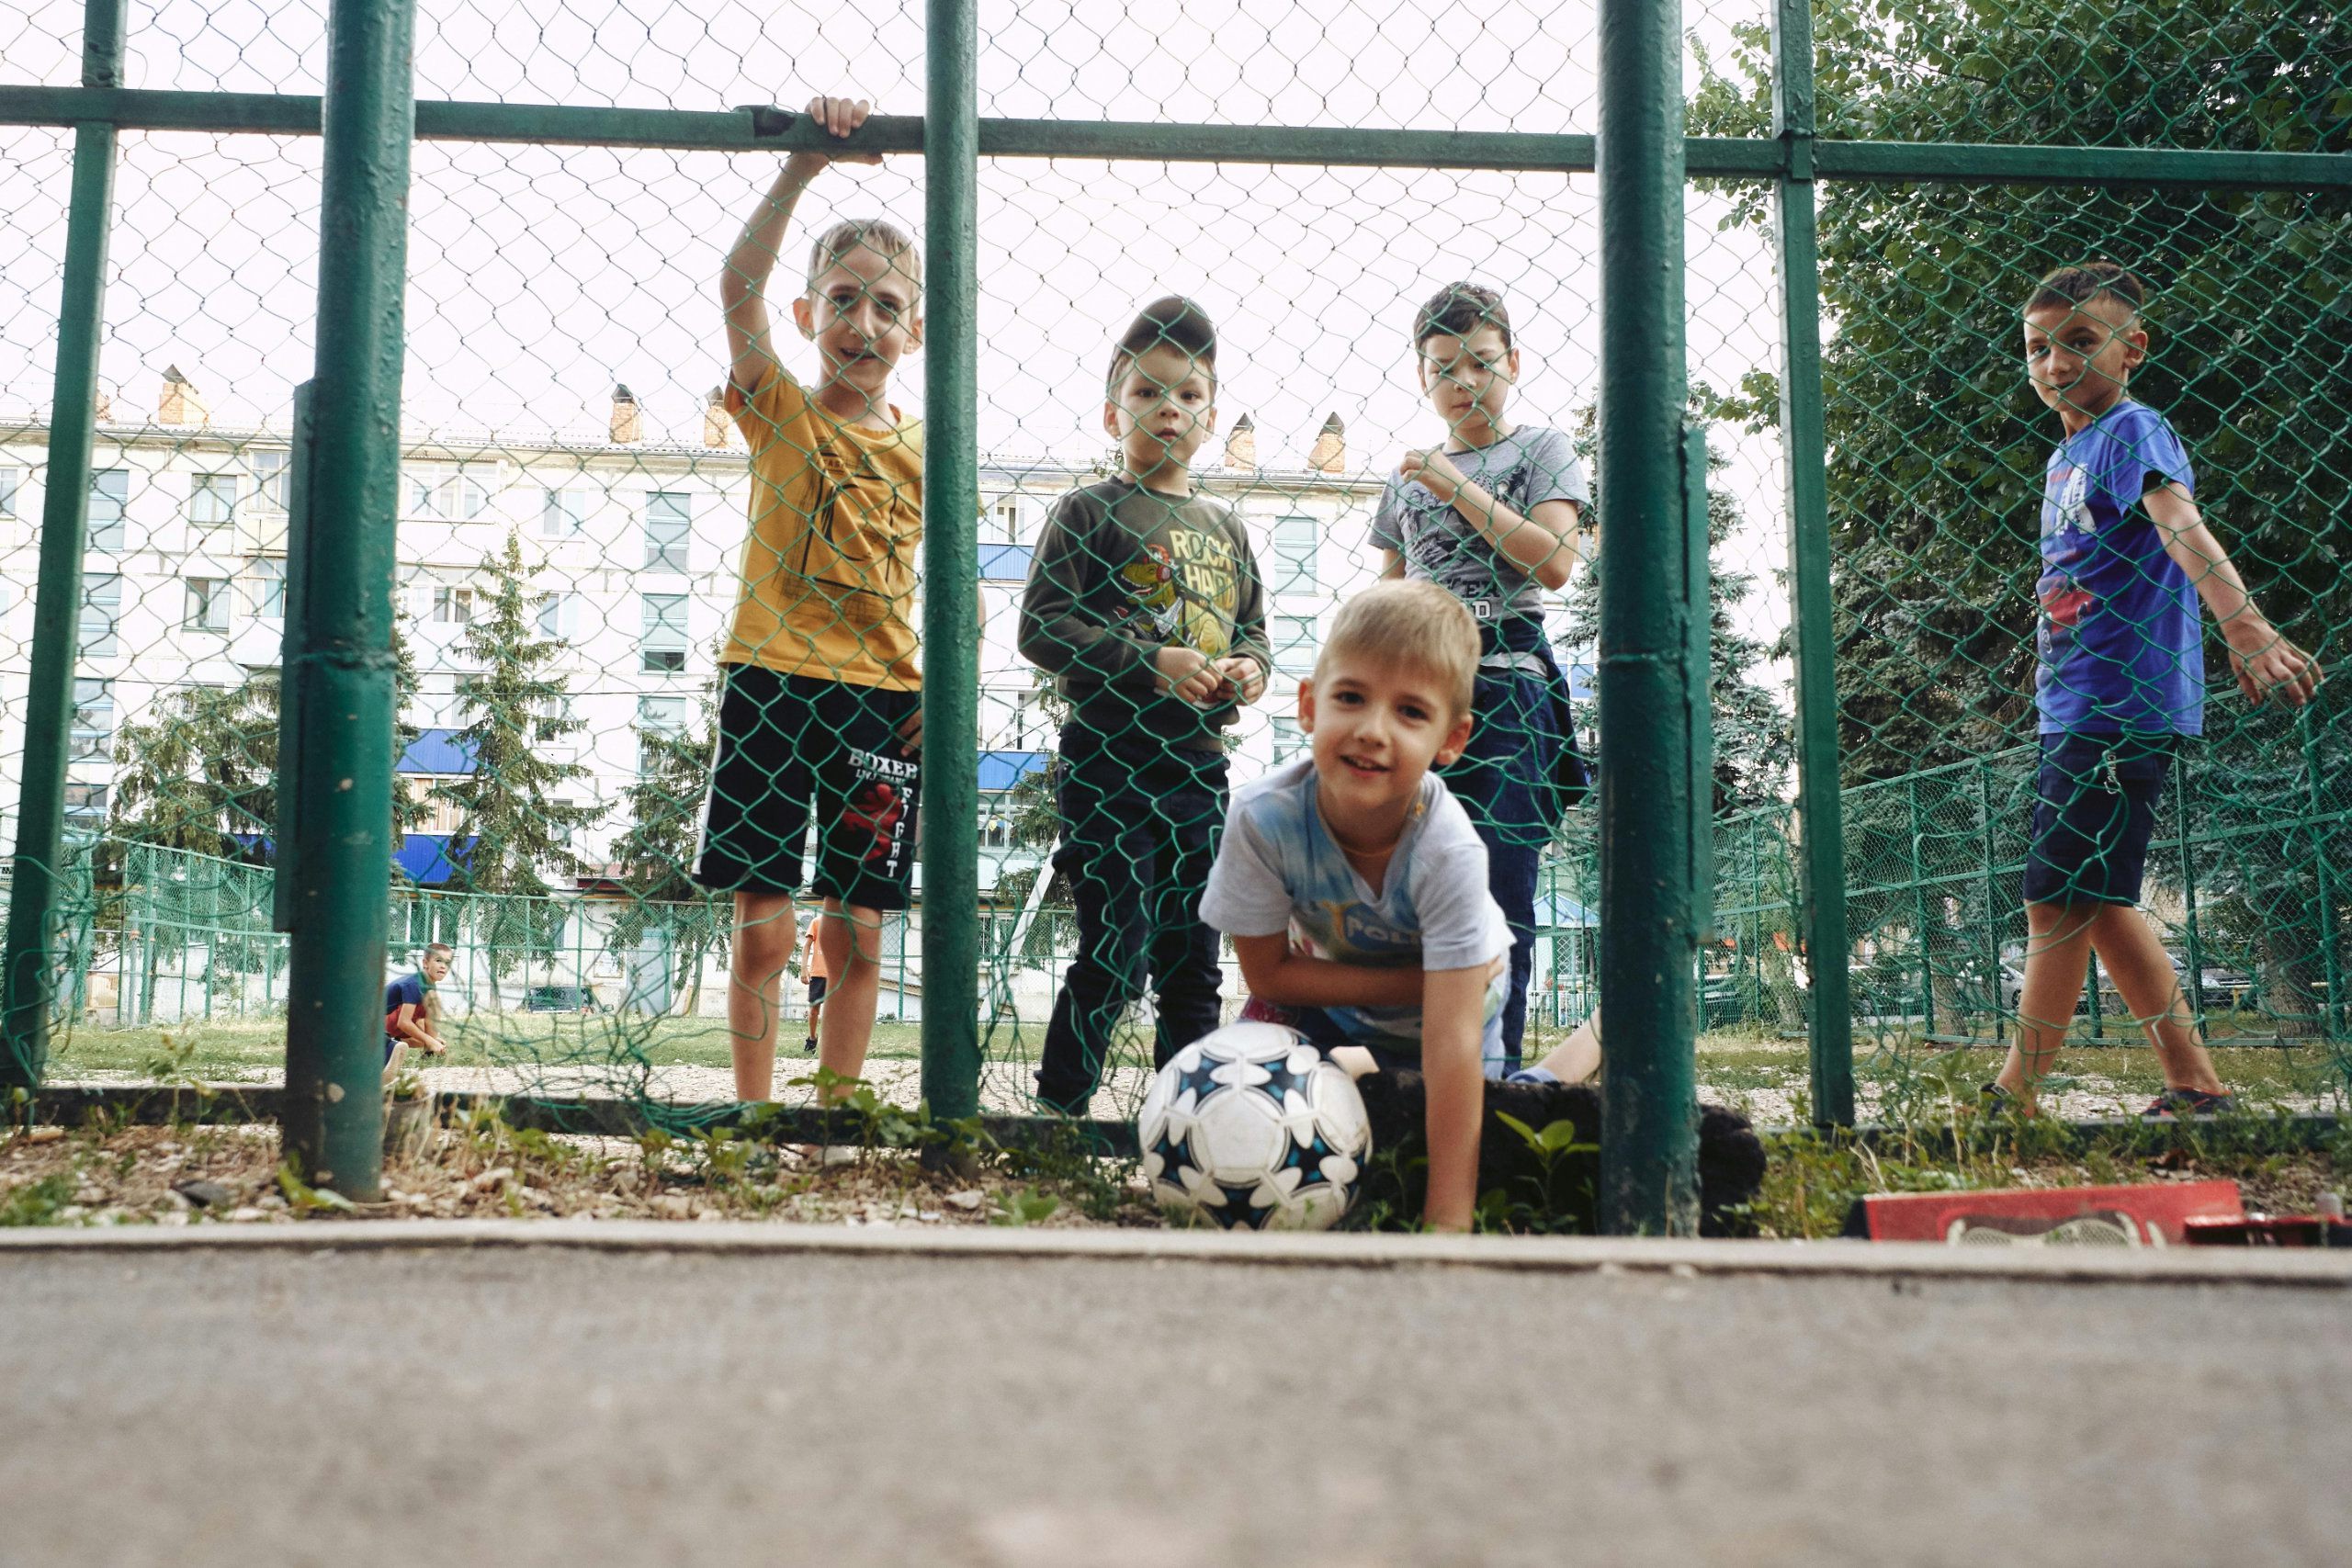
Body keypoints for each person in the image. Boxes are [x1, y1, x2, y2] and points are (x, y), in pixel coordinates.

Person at [1992, 261, 2322, 1118]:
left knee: (2054, 898)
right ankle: (2195, 1084)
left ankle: (2013, 1098)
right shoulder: (2067, 454)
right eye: (2037, 348)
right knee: (2097, 901)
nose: (2055, 364)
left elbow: (2178, 521)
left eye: (2079, 341)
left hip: (2119, 703)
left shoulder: (2132, 430)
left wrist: (2244, 625)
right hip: (2075, 703)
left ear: (2131, 348)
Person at [1200, 581, 1595, 1232]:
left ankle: (1572, 1058)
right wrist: (1413, 982)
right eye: (1351, 697)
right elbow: (1268, 975)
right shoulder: (1262, 818)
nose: (1372, 730)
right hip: (1341, 1000)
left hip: (1459, 1013)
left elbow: (1451, 1043)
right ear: (1308, 705)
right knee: (1262, 1098)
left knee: (1477, 1131)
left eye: (1410, 711)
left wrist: (1446, 1225)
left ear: (1452, 739)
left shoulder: (1448, 850)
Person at [693, 93, 924, 1104]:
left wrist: (937, 686)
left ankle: (836, 1113)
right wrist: (802, 165)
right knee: (765, 927)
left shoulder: (927, 446)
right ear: (808, 315)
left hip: (883, 697)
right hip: (773, 682)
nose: (863, 323)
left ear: (915, 329)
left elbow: (948, 589)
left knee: (858, 929)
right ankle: (753, 1115)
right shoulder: (780, 410)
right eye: (842, 299)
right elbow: (736, 286)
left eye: (887, 306)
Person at [1019, 297, 1272, 1114]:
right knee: (1116, 950)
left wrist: (1248, 669)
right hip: (1109, 760)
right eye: (1148, 392)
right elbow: (1040, 627)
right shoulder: (1088, 510)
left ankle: (1187, 1120)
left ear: (1211, 416)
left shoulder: (1227, 526)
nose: (1170, 407)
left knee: (1192, 960)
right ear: (1112, 413)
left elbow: (1256, 634)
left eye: (1189, 394)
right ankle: (1062, 1113)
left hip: (1198, 770)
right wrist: (1151, 663)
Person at [1371, 281, 1598, 1076]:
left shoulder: (1539, 449)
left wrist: (1454, 486)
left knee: (1501, 879)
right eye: (1443, 367)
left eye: (1481, 362)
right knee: (1403, 878)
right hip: (1418, 691)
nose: (1463, 381)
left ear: (1514, 362)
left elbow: (1556, 561)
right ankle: (1408, 1065)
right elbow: (1389, 591)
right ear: (1421, 375)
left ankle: (1492, 1072)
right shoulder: (1403, 478)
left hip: (1505, 682)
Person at [383, 942, 453, 1083]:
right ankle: (388, 1046)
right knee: (433, 1000)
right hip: (377, 1022)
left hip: (392, 1023)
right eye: (438, 960)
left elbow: (420, 1019)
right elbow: (404, 1022)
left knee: (425, 1038)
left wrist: (432, 1040)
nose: (443, 966)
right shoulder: (414, 984)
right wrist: (430, 1040)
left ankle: (428, 1053)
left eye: (447, 963)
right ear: (425, 963)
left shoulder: (428, 984)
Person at [799, 916, 829, 1056]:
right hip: (818, 973)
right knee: (814, 1011)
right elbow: (807, 946)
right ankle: (812, 1039)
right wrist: (803, 968)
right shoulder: (817, 922)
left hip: (838, 974)